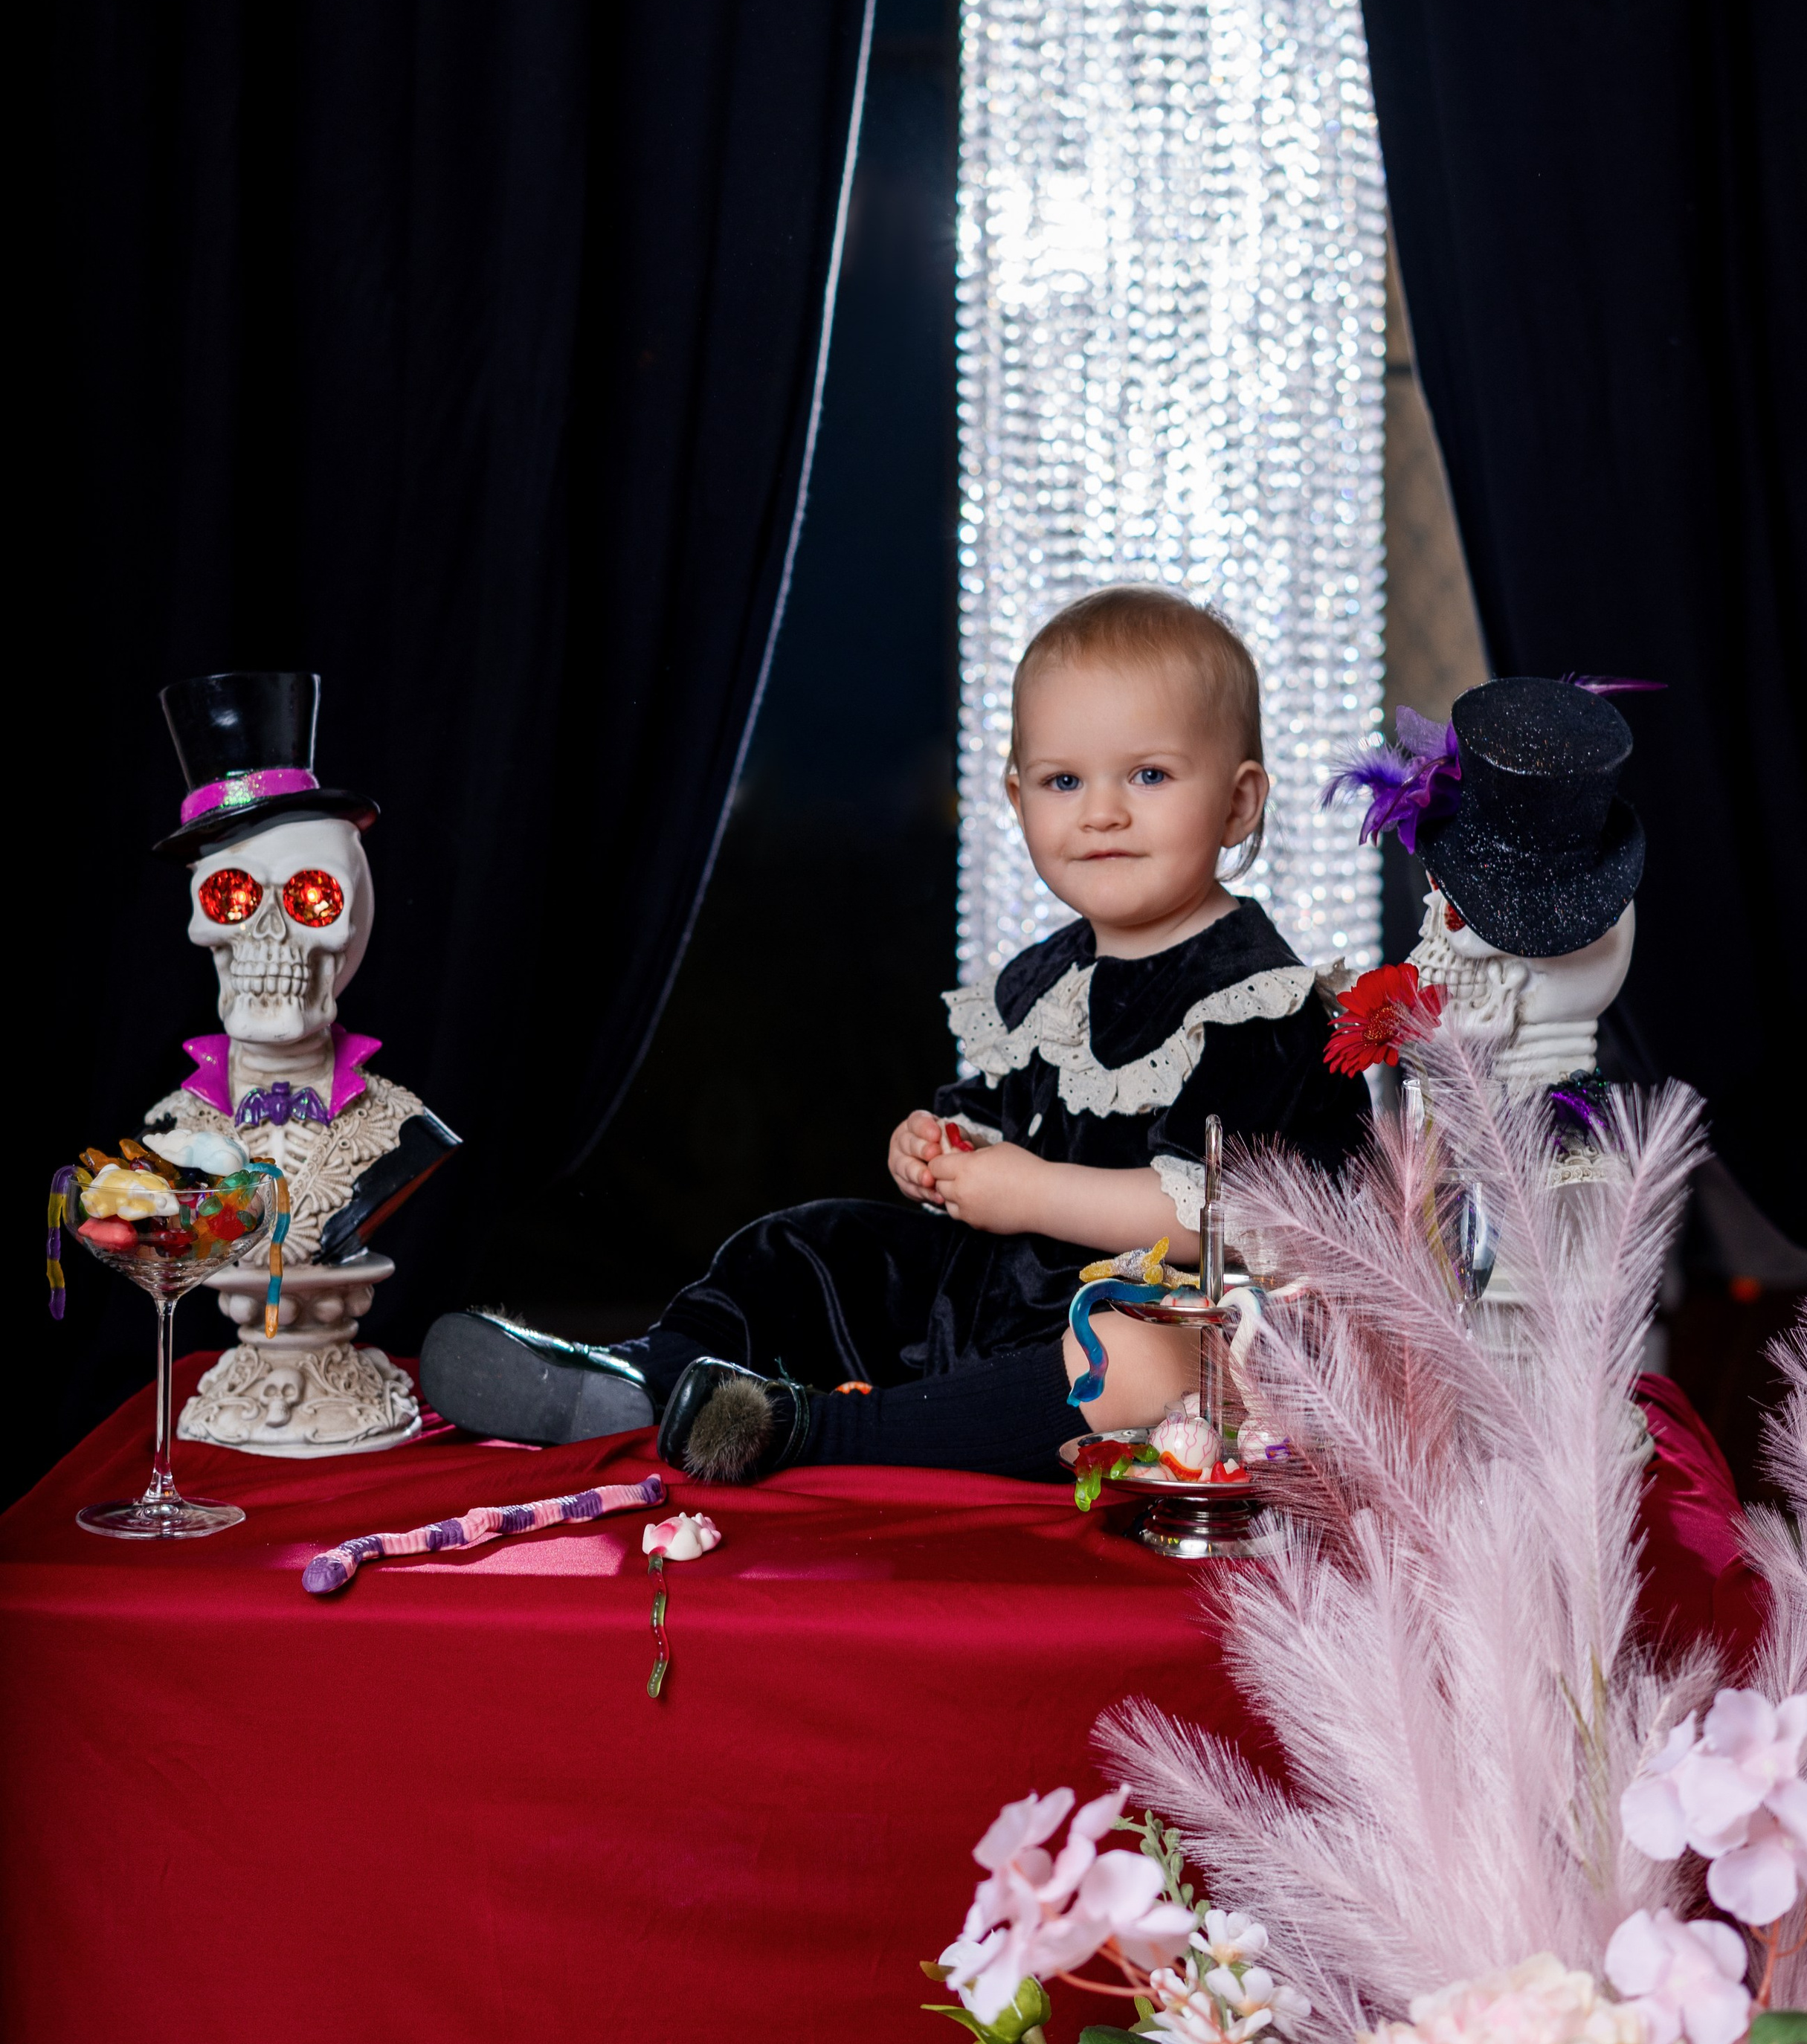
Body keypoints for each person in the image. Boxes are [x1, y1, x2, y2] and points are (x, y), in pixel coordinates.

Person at [419, 587, 1367, 1481]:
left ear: (1238, 802)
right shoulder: (1044, 979)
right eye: (1063, 780)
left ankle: (818, 1431)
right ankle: (647, 1374)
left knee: (1138, 1359)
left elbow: (1212, 1218)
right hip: (1010, 1290)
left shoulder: (1257, 999)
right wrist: (943, 1153)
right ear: (1017, 800)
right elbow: (999, 1119)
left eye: (1149, 775)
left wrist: (1027, 1190)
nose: (1101, 812)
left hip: (1171, 1313)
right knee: (813, 1241)